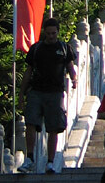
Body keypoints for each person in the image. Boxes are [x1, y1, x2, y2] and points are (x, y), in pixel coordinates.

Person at [18, 17, 77, 174]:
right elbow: (28, 71)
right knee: (30, 122)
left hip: (55, 93)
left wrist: (74, 79)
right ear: (44, 33)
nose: (51, 36)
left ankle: (50, 162)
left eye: (54, 33)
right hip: (36, 91)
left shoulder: (64, 48)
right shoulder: (36, 49)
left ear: (58, 32)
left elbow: (70, 66)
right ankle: (29, 158)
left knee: (53, 128)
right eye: (49, 33)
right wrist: (21, 94)